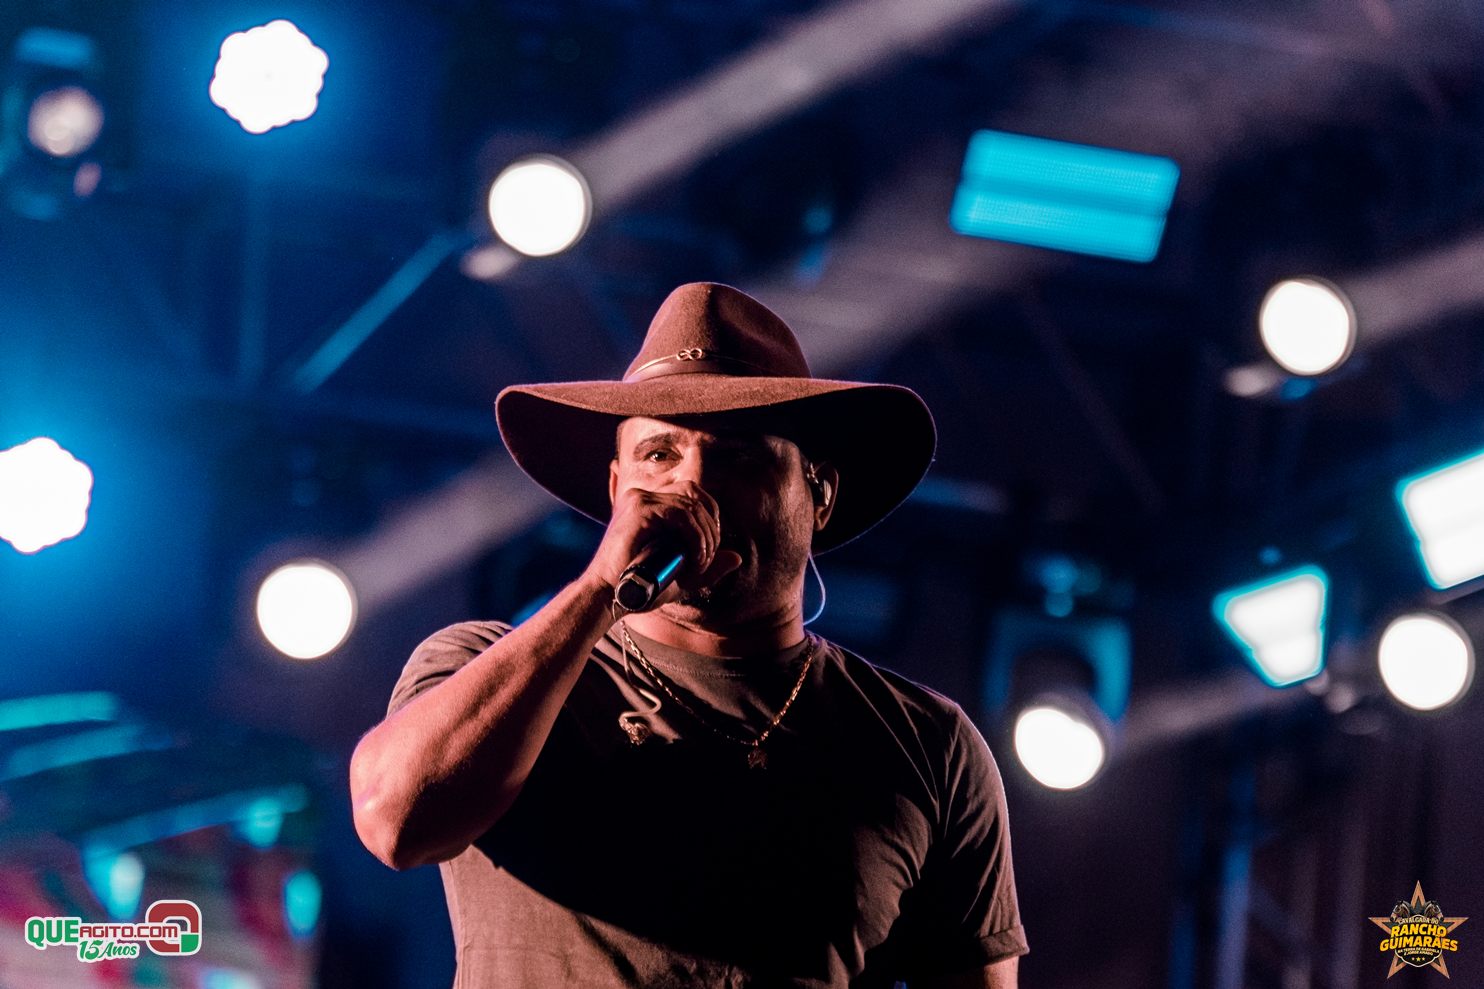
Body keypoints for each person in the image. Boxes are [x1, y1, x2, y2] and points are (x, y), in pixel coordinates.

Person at [350, 282, 1028, 988]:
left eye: (739, 456)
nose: (692, 484)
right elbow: (395, 821)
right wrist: (598, 590)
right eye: (659, 454)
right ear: (616, 490)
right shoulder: (484, 666)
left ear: (819, 494)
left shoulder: (928, 744)